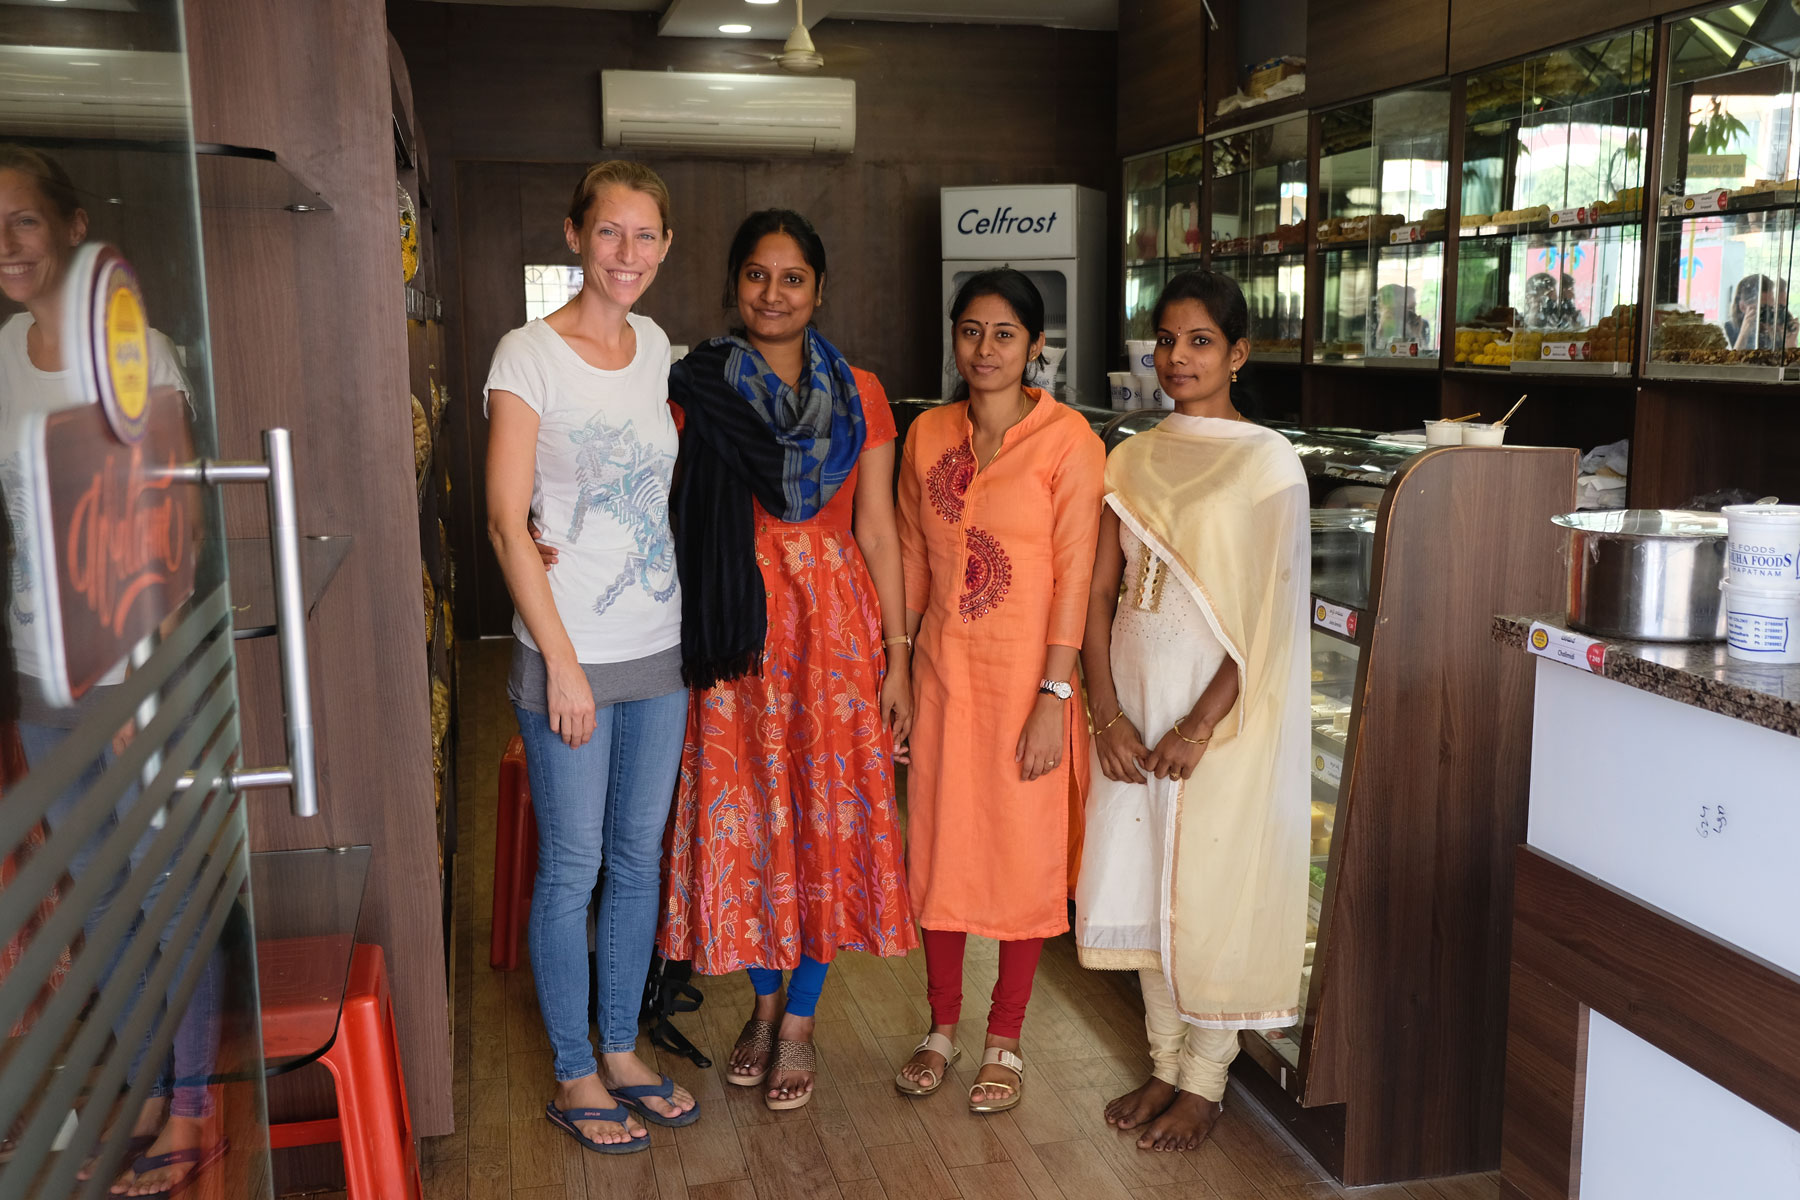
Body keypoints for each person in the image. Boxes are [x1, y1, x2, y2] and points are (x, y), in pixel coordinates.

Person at [0, 145, 229, 1197]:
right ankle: (142, 1096)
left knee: (172, 897)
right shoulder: (3, 355)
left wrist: (141, 678)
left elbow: (170, 527)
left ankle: (191, 1115)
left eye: (25, 222)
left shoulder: (129, 345)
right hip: (44, 682)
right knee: (101, 909)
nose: (6, 245)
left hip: (134, 674)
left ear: (73, 226)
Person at [657, 209, 915, 1112]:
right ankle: (763, 1009)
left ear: (819, 289)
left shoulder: (863, 394)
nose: (774, 293)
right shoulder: (695, 384)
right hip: (733, 627)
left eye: (793, 277)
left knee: (822, 823)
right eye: (758, 276)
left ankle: (800, 1023)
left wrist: (899, 657)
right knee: (753, 821)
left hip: (832, 633)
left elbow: (879, 530)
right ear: (735, 285)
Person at [485, 160, 697, 1155]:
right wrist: (561, 663)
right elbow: (502, 520)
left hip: (659, 646)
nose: (628, 254)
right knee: (572, 864)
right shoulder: (527, 356)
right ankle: (574, 1070)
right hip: (566, 649)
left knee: (638, 856)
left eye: (645, 236)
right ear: (576, 235)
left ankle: (621, 1046)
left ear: (663, 247)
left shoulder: (656, 346)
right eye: (610, 232)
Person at [1074, 269, 1311, 1152]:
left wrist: (1200, 723)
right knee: (1147, 885)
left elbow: (1271, 620)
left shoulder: (1267, 463)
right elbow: (1098, 592)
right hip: (1134, 705)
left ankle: (1207, 1082)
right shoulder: (1131, 456)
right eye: (1165, 341)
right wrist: (1106, 712)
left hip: (1220, 721)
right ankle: (1166, 1063)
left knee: (1210, 887)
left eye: (1199, 341)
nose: (1177, 357)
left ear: (1238, 354)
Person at [894, 269, 1105, 1113]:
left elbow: (1077, 577)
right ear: (955, 337)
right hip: (944, 677)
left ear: (1035, 346)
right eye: (971, 331)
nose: (985, 349)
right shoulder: (927, 436)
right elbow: (911, 555)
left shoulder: (1069, 443)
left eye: (1005, 334)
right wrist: (897, 665)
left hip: (1028, 685)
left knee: (1022, 861)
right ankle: (941, 1028)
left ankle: (1005, 1040)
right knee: (939, 848)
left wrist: (1056, 695)